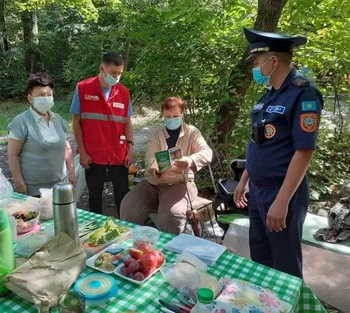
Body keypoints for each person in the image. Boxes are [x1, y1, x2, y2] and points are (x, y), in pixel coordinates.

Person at [234, 28, 324, 278]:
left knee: (284, 265)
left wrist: (282, 201)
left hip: (282, 191)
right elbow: (259, 143)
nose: (254, 65)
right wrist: (244, 180)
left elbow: (304, 151)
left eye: (256, 60)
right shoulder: (267, 96)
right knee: (260, 260)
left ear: (273, 61)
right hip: (258, 190)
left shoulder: (303, 94)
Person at [120, 97, 213, 235]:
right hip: (154, 181)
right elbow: (150, 158)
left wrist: (190, 160)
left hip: (180, 182)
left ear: (182, 114)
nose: (171, 119)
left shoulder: (192, 132)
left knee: (172, 215)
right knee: (129, 207)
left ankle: (171, 249)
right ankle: (135, 244)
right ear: (162, 115)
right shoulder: (155, 133)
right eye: (168, 116)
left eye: (175, 116)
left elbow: (207, 153)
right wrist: (154, 167)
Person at [70, 51, 134, 216]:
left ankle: (124, 227)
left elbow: (127, 122)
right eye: (113, 72)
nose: (117, 77)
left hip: (118, 153)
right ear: (102, 68)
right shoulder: (83, 88)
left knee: (122, 195)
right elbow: (76, 122)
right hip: (93, 154)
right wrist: (82, 153)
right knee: (94, 195)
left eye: (120, 73)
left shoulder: (123, 92)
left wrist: (130, 149)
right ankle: (95, 230)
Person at [8, 72, 76, 196]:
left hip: (60, 187)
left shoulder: (59, 120)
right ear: (30, 98)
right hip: (33, 190)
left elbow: (67, 149)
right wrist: (19, 182)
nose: (46, 98)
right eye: (41, 95)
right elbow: (13, 155)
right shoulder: (21, 122)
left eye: (49, 95)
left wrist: (71, 174)